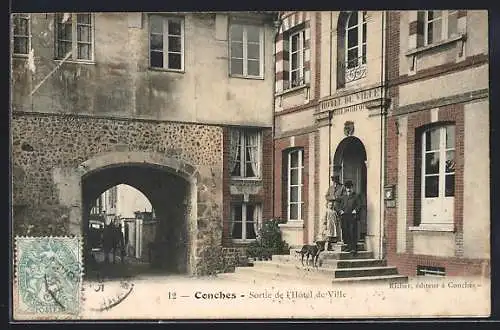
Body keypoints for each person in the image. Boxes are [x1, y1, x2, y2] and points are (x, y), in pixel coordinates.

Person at [338, 180, 361, 255]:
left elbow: (359, 205)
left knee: (352, 231)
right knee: (346, 231)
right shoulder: (343, 197)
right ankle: (348, 246)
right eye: (347, 188)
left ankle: (353, 248)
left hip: (352, 216)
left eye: (350, 188)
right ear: (345, 188)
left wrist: (355, 210)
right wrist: (340, 210)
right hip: (345, 216)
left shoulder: (356, 196)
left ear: (352, 187)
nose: (348, 189)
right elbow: (338, 205)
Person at [325, 171, 346, 249]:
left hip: (339, 208)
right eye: (333, 180)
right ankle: (332, 240)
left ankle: (340, 239)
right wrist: (331, 198)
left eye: (336, 180)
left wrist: (337, 198)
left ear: (338, 180)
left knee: (340, 224)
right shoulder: (330, 188)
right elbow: (326, 196)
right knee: (330, 225)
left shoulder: (342, 187)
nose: (334, 182)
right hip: (331, 209)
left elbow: (344, 197)